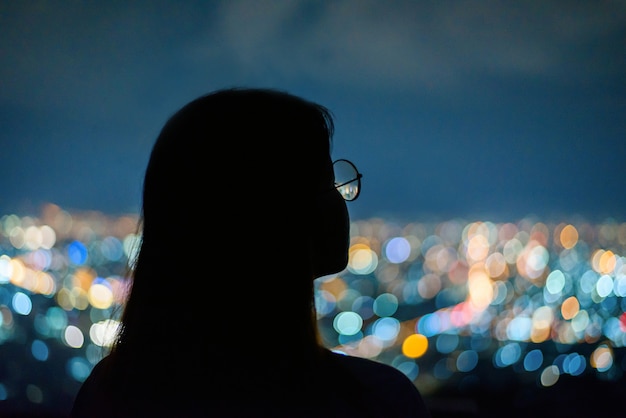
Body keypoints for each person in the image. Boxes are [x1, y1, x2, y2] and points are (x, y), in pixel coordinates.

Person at [69, 87, 431, 417]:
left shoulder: (110, 393)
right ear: (272, 211)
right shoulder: (374, 402)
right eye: (324, 181)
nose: (340, 198)